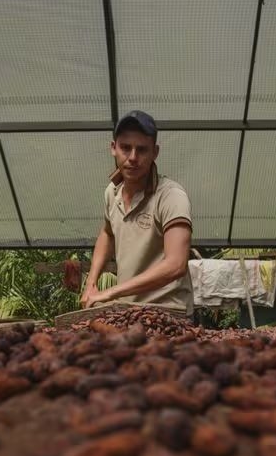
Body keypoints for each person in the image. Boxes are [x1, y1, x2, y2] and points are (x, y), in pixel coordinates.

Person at [80, 110, 194, 314]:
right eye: (126, 148)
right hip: (130, 312)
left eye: (142, 150)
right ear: (113, 148)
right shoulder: (111, 193)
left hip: (169, 314)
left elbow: (176, 264)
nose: (133, 157)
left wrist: (111, 293)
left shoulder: (170, 196)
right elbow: (107, 233)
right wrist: (91, 282)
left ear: (155, 152)